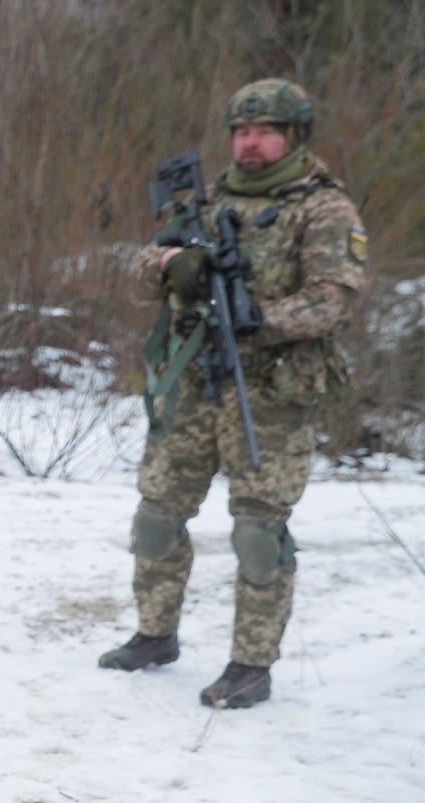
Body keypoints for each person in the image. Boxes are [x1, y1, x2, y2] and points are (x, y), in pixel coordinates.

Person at [100, 79, 368, 709]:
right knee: (156, 516)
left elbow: (333, 301)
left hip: (270, 393)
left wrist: (257, 319)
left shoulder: (324, 209)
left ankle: (251, 665)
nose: (250, 143)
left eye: (265, 131)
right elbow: (142, 273)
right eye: (242, 132)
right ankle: (154, 634)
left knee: (257, 531)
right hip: (193, 383)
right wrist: (171, 267)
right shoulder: (205, 199)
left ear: (293, 136)